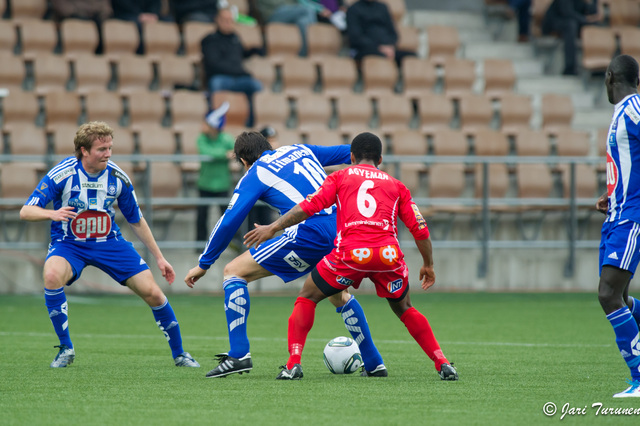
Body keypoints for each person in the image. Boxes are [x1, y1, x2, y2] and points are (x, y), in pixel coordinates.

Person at [244, 132, 458, 381]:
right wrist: (428, 265)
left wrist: (273, 227)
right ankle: (442, 362)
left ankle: (293, 364)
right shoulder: (397, 185)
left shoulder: (340, 177)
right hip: (387, 255)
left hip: (350, 254)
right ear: (380, 158)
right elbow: (420, 229)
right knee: (405, 308)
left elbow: (308, 207)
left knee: (307, 297)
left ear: (352, 156)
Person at [184, 131, 387, 378]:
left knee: (233, 272)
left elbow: (228, 221)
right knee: (338, 295)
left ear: (243, 161)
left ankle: (239, 355)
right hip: (342, 231)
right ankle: (374, 362)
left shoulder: (255, 172)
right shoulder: (300, 149)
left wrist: (204, 263)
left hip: (309, 232)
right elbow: (348, 151)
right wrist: (373, 164)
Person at [20, 121, 199, 369]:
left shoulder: (118, 177)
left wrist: (159, 257)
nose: (108, 154)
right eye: (101, 149)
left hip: (110, 244)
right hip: (69, 244)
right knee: (51, 276)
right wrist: (51, 214)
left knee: (154, 293)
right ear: (84, 150)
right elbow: (26, 211)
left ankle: (180, 354)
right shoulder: (62, 174)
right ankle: (65, 348)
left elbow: (136, 219)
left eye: (110, 148)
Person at [595, 54, 640, 398]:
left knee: (608, 294)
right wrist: (612, 193)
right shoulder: (620, 114)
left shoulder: (634, 108)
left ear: (610, 76)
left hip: (631, 216)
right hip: (617, 212)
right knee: (620, 296)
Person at [201, 7, 263, 127]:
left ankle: (250, 123)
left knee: (256, 85)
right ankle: (214, 121)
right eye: (224, 19)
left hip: (238, 78)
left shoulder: (235, 38)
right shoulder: (210, 40)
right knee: (216, 83)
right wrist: (238, 71)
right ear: (217, 20)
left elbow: (240, 54)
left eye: (230, 20)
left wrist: (254, 51)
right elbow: (213, 64)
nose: (228, 23)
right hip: (221, 77)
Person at [196, 102, 236, 244]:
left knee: (227, 217)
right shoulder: (202, 138)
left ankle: (231, 243)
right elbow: (207, 152)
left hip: (222, 184)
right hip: (205, 183)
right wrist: (223, 154)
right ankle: (199, 244)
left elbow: (234, 153)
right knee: (201, 217)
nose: (203, 126)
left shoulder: (226, 138)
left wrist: (226, 154)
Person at [345, 0, 415, 68]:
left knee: (412, 56)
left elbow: (393, 34)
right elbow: (355, 37)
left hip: (387, 49)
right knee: (381, 56)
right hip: (364, 49)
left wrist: (389, 47)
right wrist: (379, 48)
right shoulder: (353, 9)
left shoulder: (382, 7)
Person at [541, 0, 600, 76]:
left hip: (573, 21)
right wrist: (585, 20)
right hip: (554, 21)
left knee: (595, 26)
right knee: (571, 26)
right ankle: (570, 68)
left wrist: (590, 3)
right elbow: (566, 12)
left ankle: (597, 67)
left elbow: (592, 15)